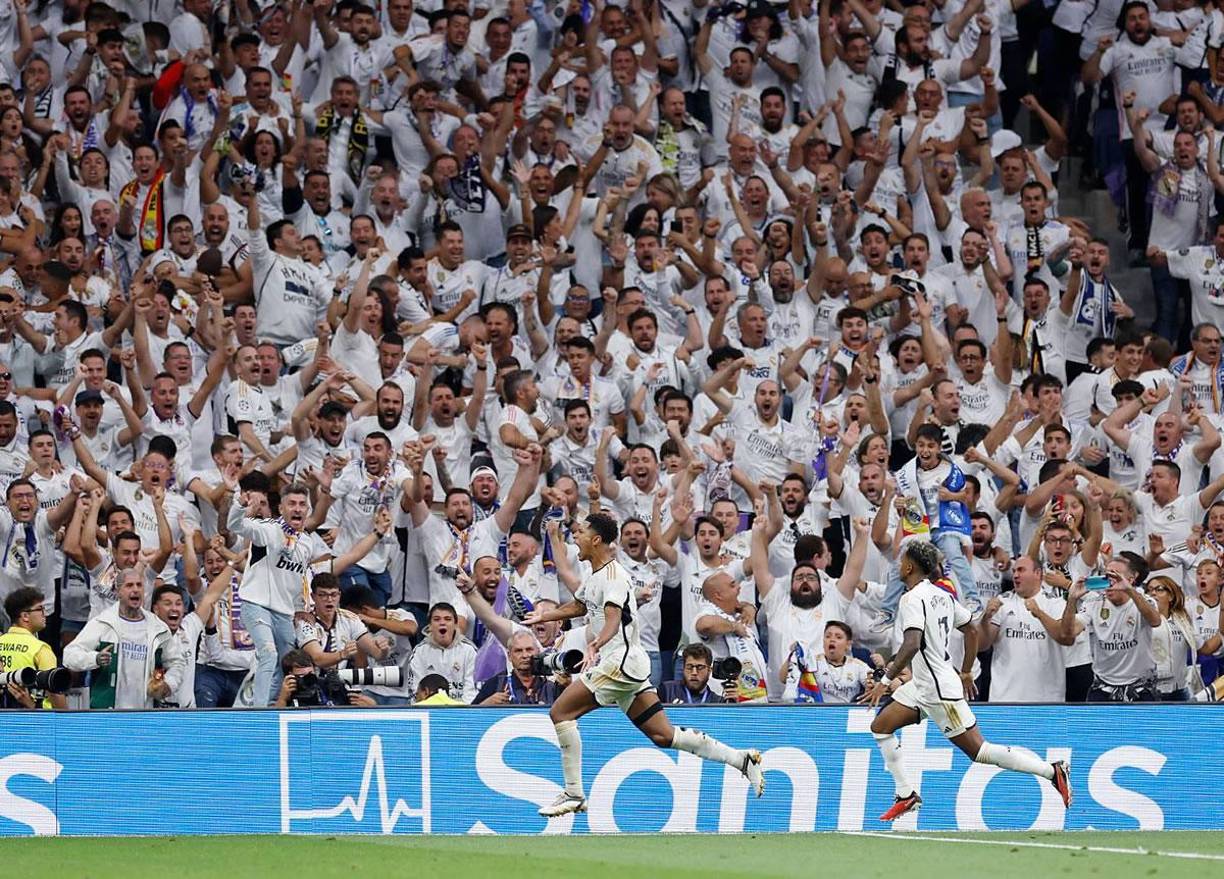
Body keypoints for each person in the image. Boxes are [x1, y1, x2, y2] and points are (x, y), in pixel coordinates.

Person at [523, 512, 764, 818]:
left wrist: (596, 643)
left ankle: (574, 793)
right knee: (664, 736)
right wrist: (544, 615)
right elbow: (581, 606)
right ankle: (742, 760)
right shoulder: (595, 575)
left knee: (561, 712)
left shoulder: (614, 577)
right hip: (630, 665)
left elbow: (612, 619)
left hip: (618, 662)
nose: (576, 537)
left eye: (581, 532)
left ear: (596, 540)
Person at [865, 540, 1072, 822]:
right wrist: (965, 672)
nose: (899, 566)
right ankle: (906, 795)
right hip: (924, 685)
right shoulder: (942, 596)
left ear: (910, 566)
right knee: (880, 726)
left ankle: (1052, 771)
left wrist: (886, 679)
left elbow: (912, 643)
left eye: (902, 561)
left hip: (938, 693)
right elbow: (971, 629)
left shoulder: (911, 599)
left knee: (980, 751)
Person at [0, 586, 67, 709]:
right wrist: (67, 717)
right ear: (25, 616)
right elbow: (55, 692)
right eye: (40, 609)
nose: (44, 614)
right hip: (37, 717)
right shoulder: (40, 648)